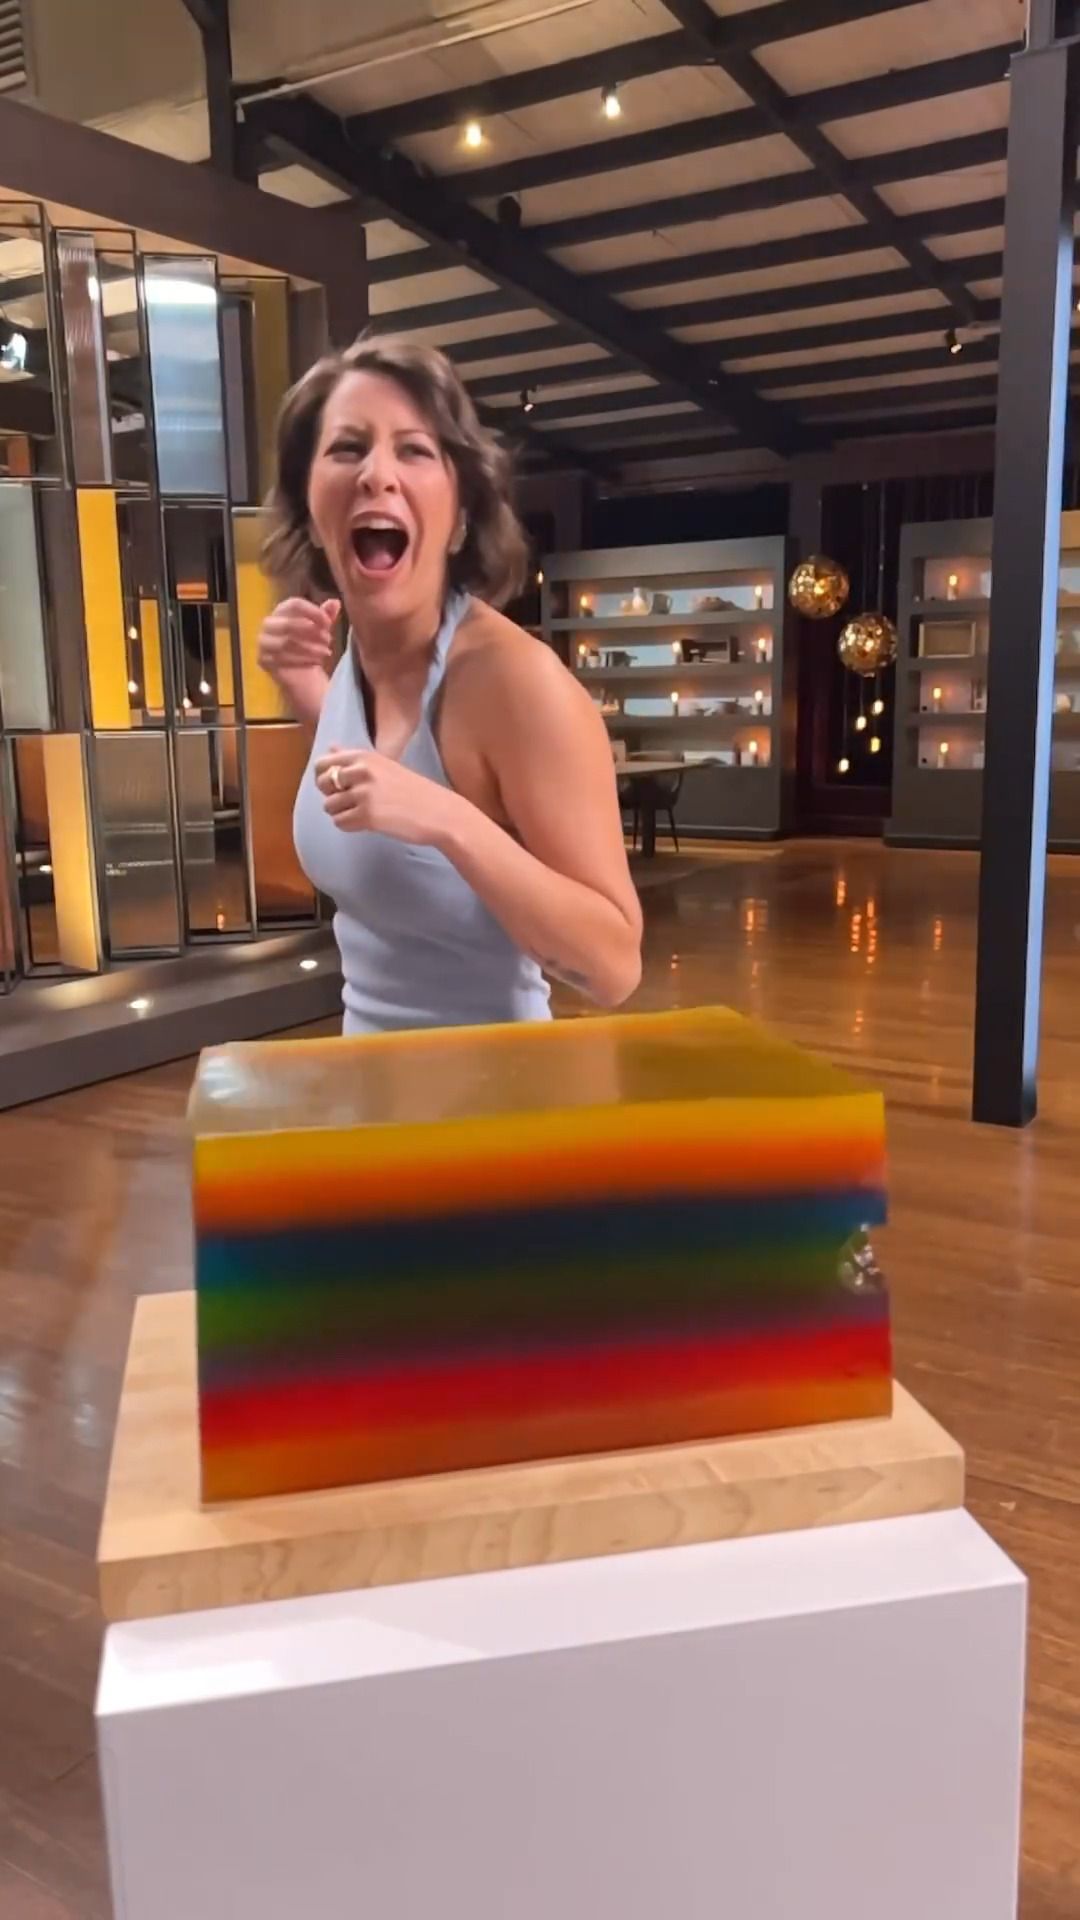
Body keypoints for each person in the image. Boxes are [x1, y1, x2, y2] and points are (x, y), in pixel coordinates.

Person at [258, 334, 642, 1036]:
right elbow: (369, 793)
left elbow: (614, 969)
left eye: (414, 450)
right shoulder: (356, 660)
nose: (377, 474)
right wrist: (301, 681)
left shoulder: (515, 683)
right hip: (367, 1082)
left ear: (461, 515)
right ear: (310, 513)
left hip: (495, 1095)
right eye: (347, 448)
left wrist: (450, 821)